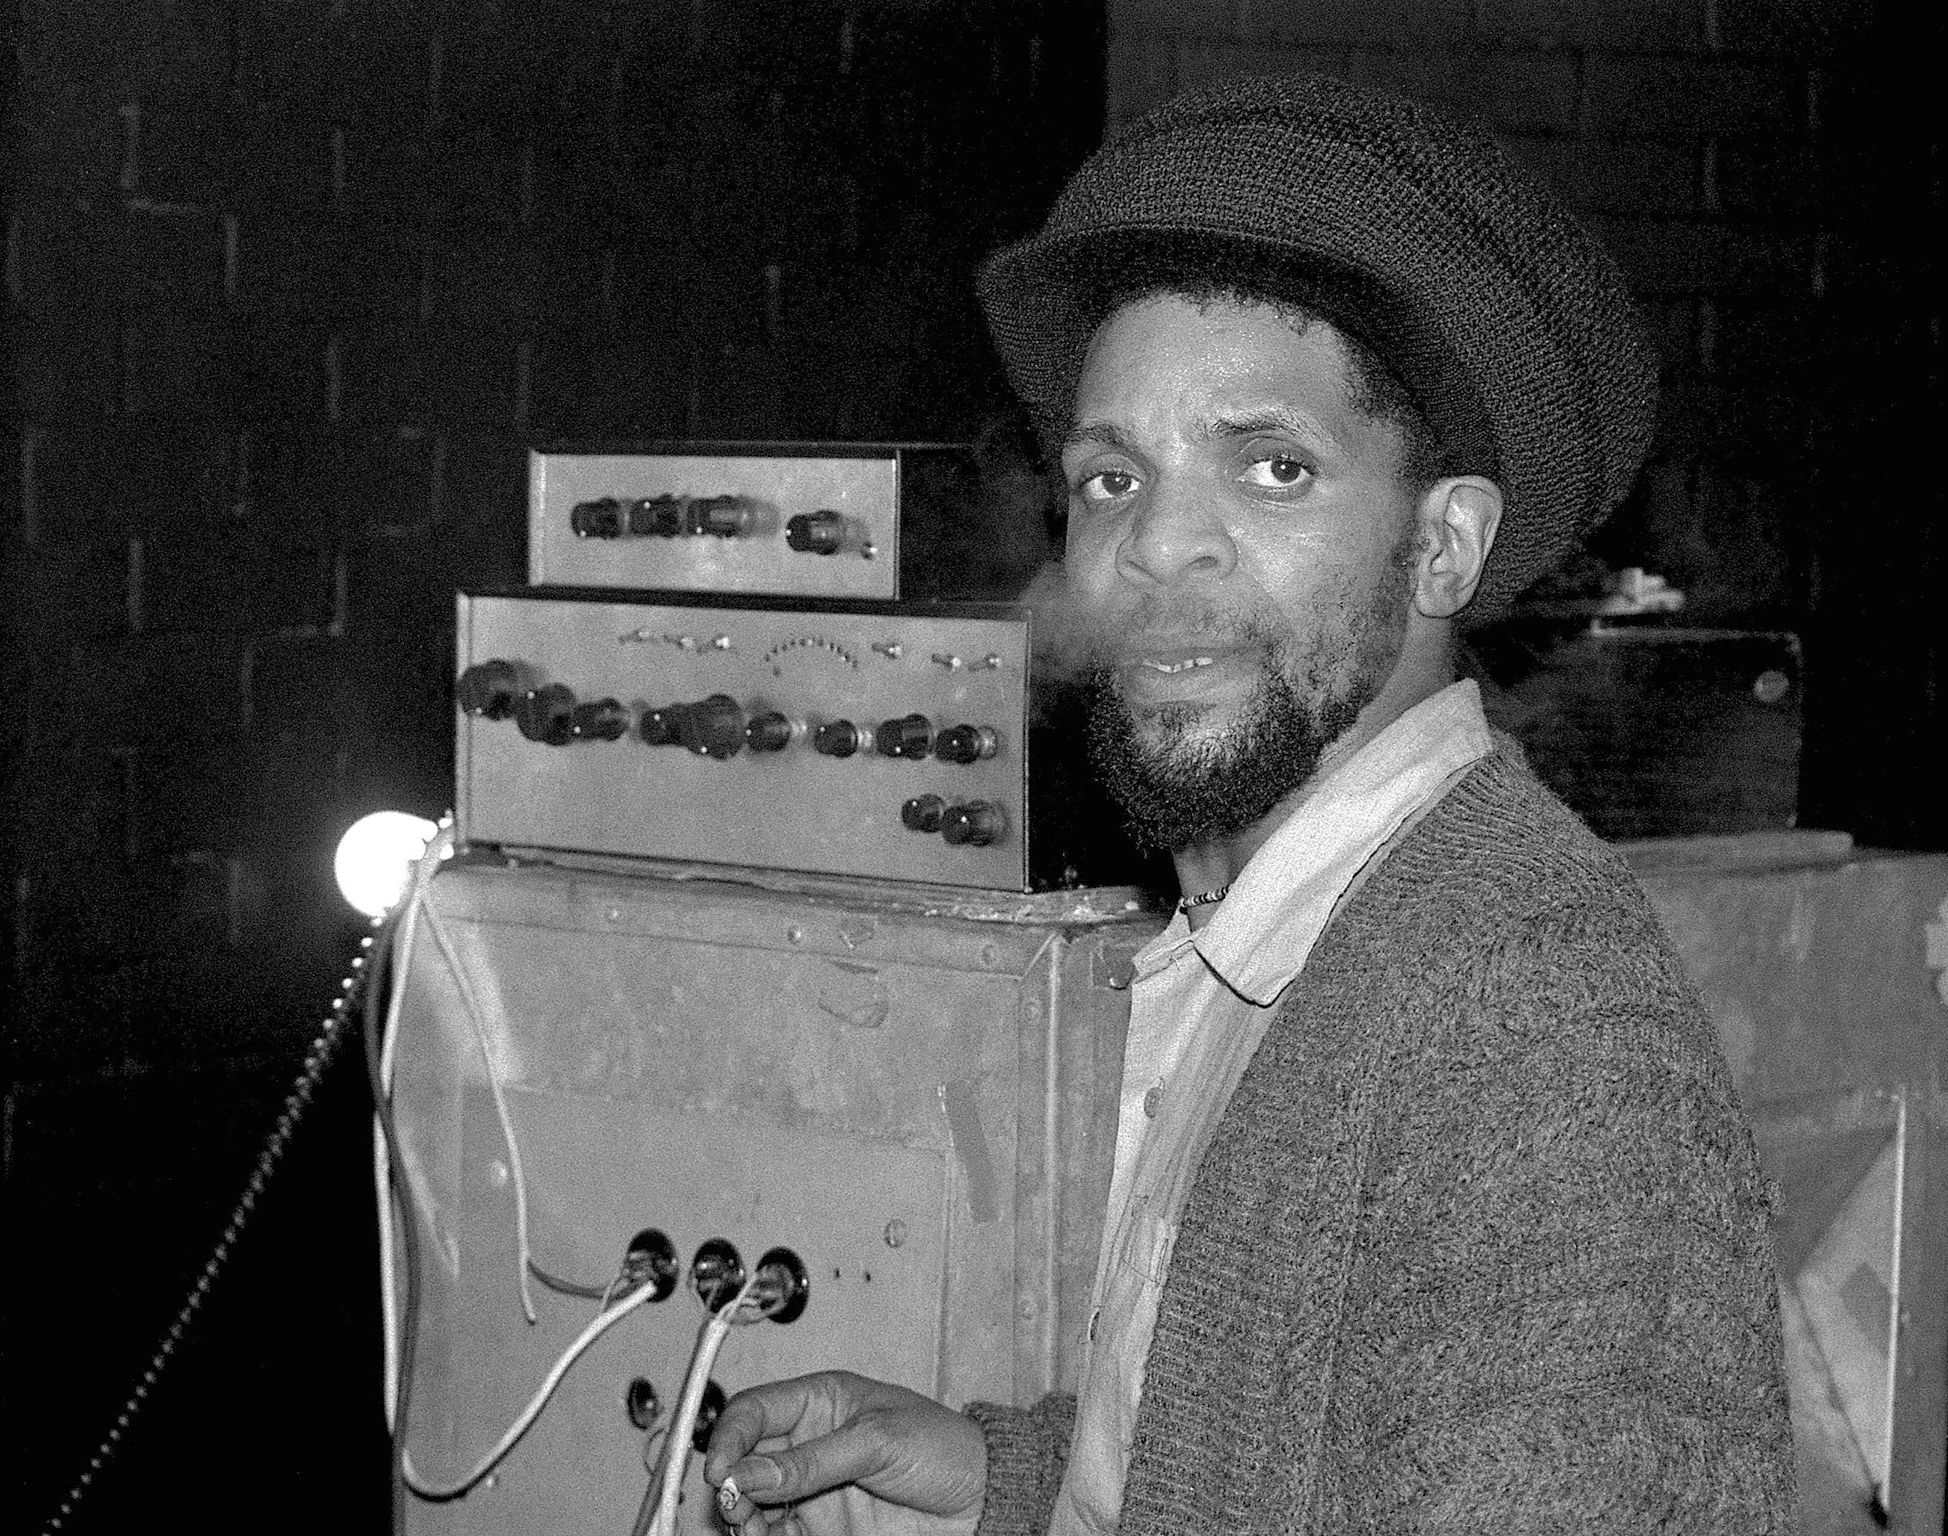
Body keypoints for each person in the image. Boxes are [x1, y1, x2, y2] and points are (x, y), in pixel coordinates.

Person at [702, 74, 1798, 1535]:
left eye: (1272, 468)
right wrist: (997, 1475)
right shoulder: (1274, 937)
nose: (1157, 546)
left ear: (1444, 549)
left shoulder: (1536, 1026)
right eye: (1110, 477)